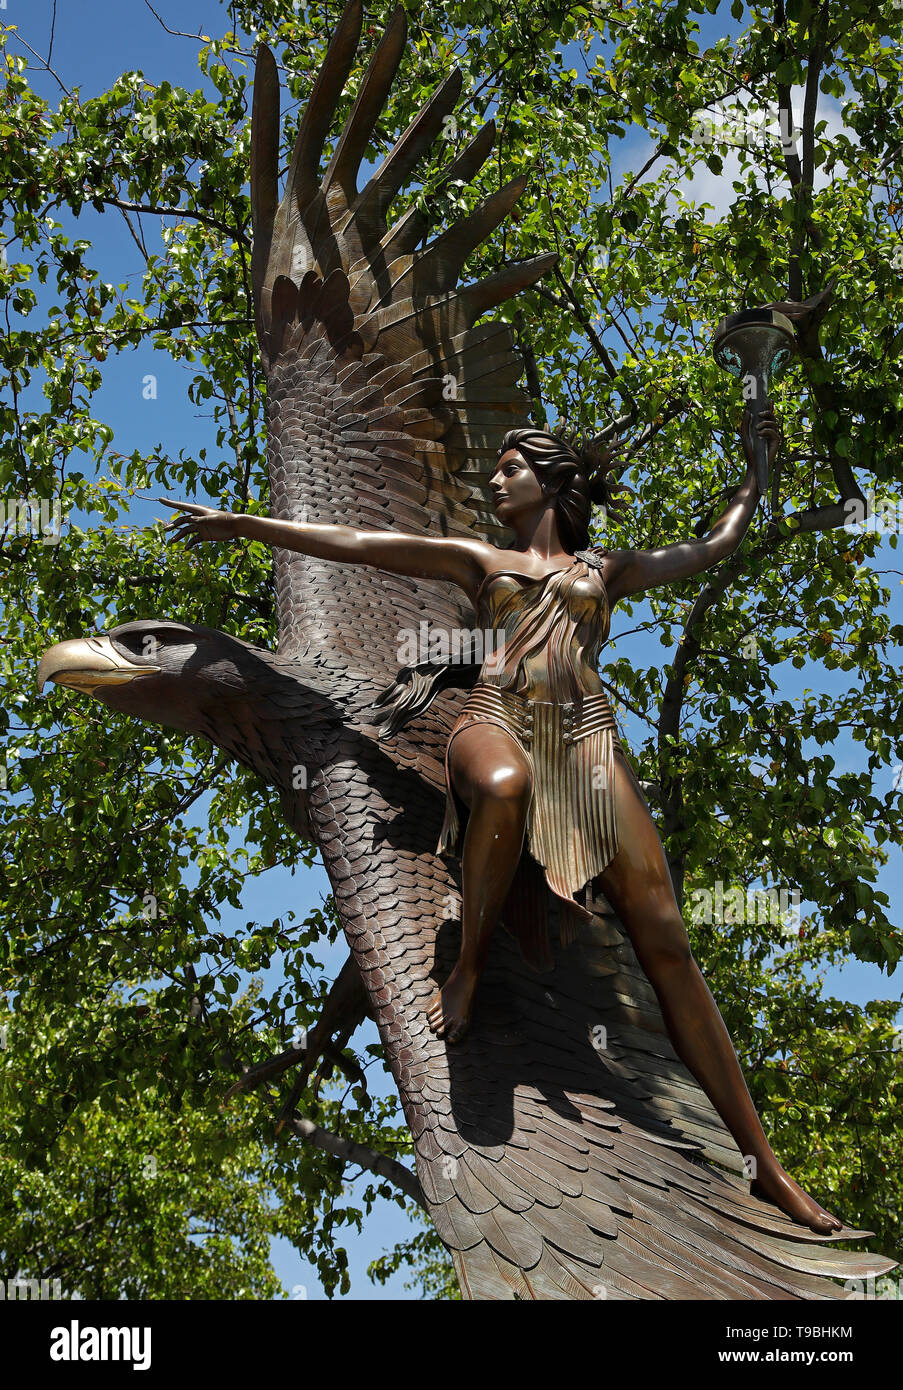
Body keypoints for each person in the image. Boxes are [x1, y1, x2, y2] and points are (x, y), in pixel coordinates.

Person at [162, 402, 843, 1234]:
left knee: (666, 940)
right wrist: (247, 525)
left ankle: (763, 1164)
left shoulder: (609, 567)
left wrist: (754, 473)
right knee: (507, 785)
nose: (493, 480)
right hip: (492, 720)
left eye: (509, 468)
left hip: (587, 746)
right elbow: (363, 544)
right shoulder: (478, 559)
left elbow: (711, 546)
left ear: (550, 481)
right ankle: (470, 962)